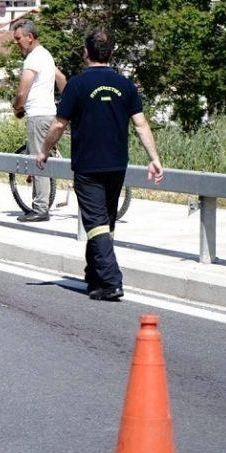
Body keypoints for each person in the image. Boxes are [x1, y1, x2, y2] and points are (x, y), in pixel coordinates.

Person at [35, 29, 164, 301]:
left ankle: (111, 281)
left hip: (88, 166)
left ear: (86, 52)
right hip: (117, 164)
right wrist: (154, 158)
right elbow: (140, 124)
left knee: (95, 223)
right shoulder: (125, 85)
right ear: (112, 53)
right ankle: (94, 276)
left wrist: (44, 151)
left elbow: (59, 124)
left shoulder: (77, 85)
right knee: (105, 223)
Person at [11, 18, 66, 222]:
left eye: (19, 39)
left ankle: (40, 208)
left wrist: (17, 108)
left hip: (37, 115)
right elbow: (62, 80)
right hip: (49, 113)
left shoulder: (33, 58)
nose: (17, 43)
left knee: (37, 159)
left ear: (30, 37)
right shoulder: (46, 55)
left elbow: (22, 90)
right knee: (45, 156)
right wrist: (67, 105)